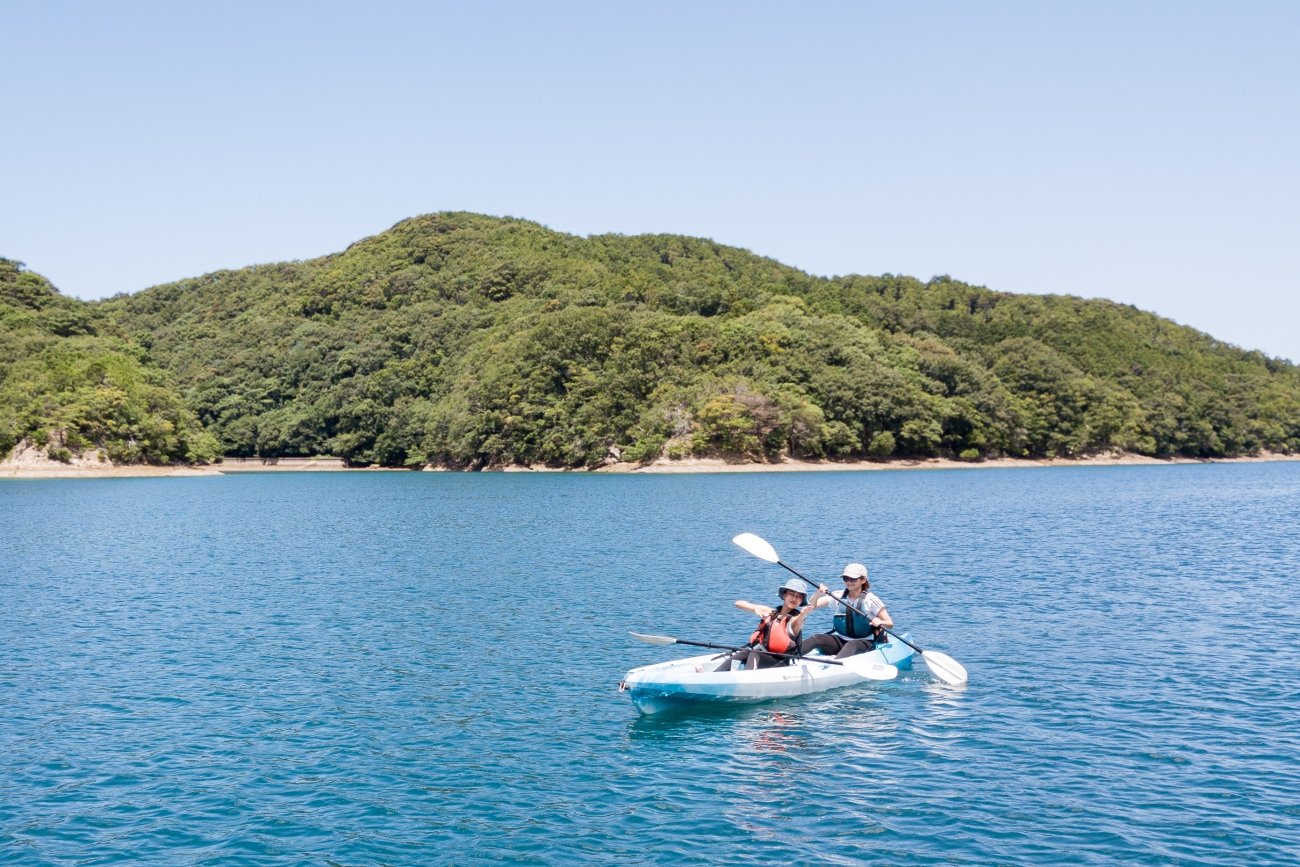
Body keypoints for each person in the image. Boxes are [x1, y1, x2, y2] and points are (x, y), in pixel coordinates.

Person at [714, 578, 824, 672]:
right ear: (784, 595)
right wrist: (754, 608)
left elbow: (802, 617)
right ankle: (715, 675)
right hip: (763, 656)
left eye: (798, 597)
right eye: (791, 594)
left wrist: (806, 610)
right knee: (746, 652)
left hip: (780, 664)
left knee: (754, 653)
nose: (794, 599)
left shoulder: (795, 620)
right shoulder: (771, 612)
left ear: (801, 601)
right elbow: (738, 603)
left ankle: (745, 680)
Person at [800, 563, 893, 659]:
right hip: (841, 640)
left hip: (864, 643)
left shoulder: (871, 600)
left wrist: (880, 622)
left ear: (863, 580)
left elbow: (890, 623)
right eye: (846, 579)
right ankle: (788, 657)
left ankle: (835, 666)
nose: (849, 582)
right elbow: (811, 605)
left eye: (853, 579)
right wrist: (817, 593)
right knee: (817, 638)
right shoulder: (838, 596)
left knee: (852, 644)